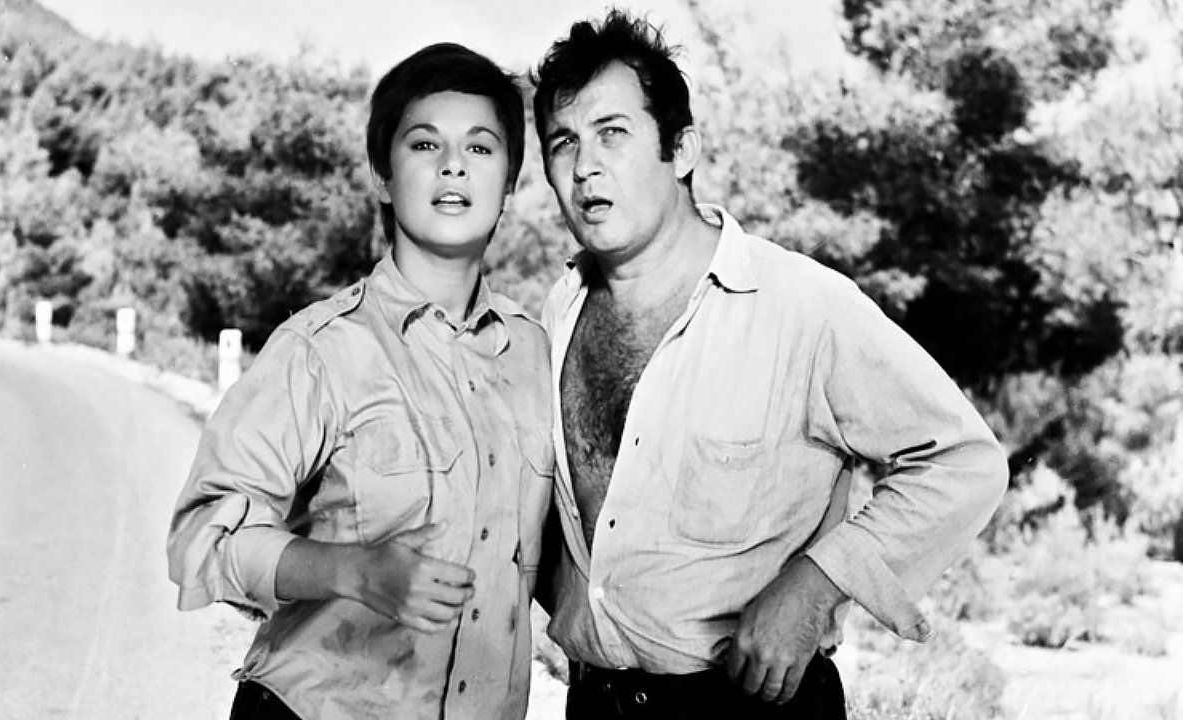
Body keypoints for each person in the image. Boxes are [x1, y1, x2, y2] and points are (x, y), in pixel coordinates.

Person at [530, 10, 1009, 719]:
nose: (585, 166)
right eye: (563, 142)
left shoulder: (801, 305)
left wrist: (815, 586)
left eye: (613, 133)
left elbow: (964, 461)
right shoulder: (556, 314)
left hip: (755, 703)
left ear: (681, 150)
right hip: (597, 702)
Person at [167, 43, 553, 720]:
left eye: (481, 147)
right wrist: (354, 570)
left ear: (511, 184)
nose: (454, 164)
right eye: (425, 144)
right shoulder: (321, 349)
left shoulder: (536, 355)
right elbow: (204, 537)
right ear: (382, 176)